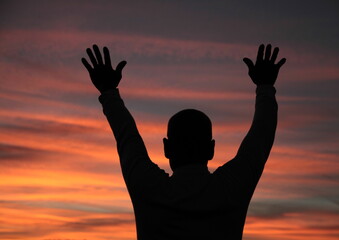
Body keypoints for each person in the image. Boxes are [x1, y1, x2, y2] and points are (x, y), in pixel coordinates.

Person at [82, 44, 286, 240]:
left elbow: (126, 135)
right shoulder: (231, 187)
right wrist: (265, 86)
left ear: (167, 148)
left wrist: (108, 91)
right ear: (211, 149)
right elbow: (262, 134)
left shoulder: (150, 187)